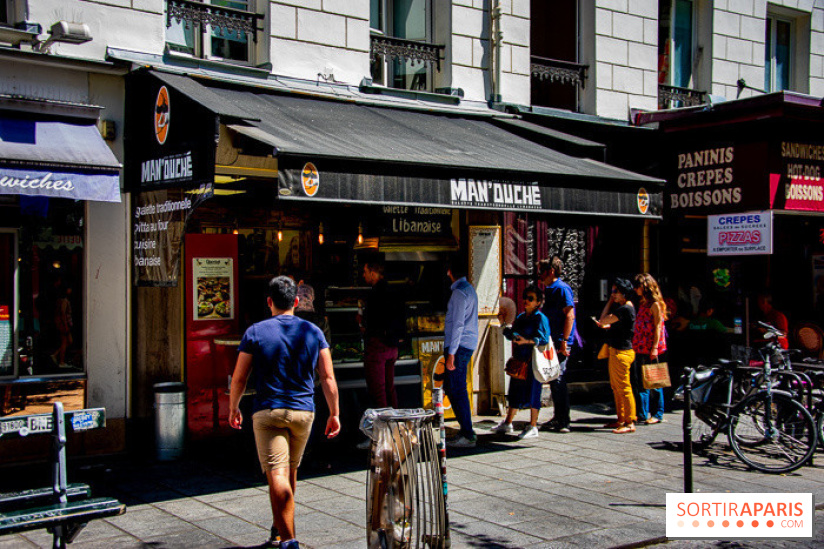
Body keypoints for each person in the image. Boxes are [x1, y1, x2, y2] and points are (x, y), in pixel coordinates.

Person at [229, 276, 341, 549]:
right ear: (295, 301)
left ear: (269, 302)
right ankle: (280, 528)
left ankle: (289, 539)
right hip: (303, 412)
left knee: (276, 476)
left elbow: (240, 378)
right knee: (289, 472)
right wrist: (334, 412)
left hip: (268, 412)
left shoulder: (255, 331)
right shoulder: (313, 331)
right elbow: (327, 377)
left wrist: (233, 406)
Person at [492, 284, 551, 439]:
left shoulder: (540, 318)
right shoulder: (521, 317)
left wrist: (527, 341)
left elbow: (544, 339)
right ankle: (508, 422)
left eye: (530, 299)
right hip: (520, 360)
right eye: (525, 297)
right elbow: (512, 334)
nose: (526, 300)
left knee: (533, 392)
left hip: (533, 362)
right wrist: (505, 326)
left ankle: (532, 425)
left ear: (538, 302)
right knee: (515, 391)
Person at [359, 261, 406, 409]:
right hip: (392, 347)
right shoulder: (394, 291)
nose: (363, 275)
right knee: (389, 387)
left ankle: (384, 426)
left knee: (377, 390)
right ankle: (395, 422)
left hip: (377, 346)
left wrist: (361, 322)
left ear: (373, 273)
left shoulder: (373, 294)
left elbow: (369, 322)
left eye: (365, 271)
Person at [443, 255, 479, 449]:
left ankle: (467, 432)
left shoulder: (458, 293)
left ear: (450, 272)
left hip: (458, 346)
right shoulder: (469, 289)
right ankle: (465, 429)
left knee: (456, 388)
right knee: (453, 387)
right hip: (467, 344)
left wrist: (451, 354)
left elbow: (457, 325)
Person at [537, 257, 576, 433]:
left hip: (560, 340)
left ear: (550, 271)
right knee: (554, 379)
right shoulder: (550, 289)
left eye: (542, 272)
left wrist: (565, 341)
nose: (539, 276)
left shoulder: (561, 289)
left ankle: (564, 420)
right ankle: (559, 417)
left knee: (558, 378)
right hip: (552, 340)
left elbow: (569, 315)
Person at [596, 278, 637, 434]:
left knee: (624, 387)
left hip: (621, 352)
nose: (613, 295)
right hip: (617, 350)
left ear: (623, 293)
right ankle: (621, 418)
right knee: (616, 387)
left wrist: (608, 303)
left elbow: (602, 320)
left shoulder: (624, 309)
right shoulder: (625, 309)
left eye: (615, 292)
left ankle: (630, 421)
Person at [631, 273, 667, 425]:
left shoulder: (655, 305)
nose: (635, 289)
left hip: (651, 347)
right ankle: (642, 413)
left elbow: (658, 326)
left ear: (644, 287)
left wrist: (654, 347)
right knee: (641, 382)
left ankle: (658, 413)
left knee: (655, 381)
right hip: (640, 346)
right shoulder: (643, 303)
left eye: (637, 286)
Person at [52, 284, 73, 368]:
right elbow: (63, 313)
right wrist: (65, 325)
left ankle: (56, 354)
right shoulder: (64, 300)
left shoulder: (59, 300)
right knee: (65, 341)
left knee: (69, 341)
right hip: (63, 324)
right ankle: (61, 361)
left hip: (62, 323)